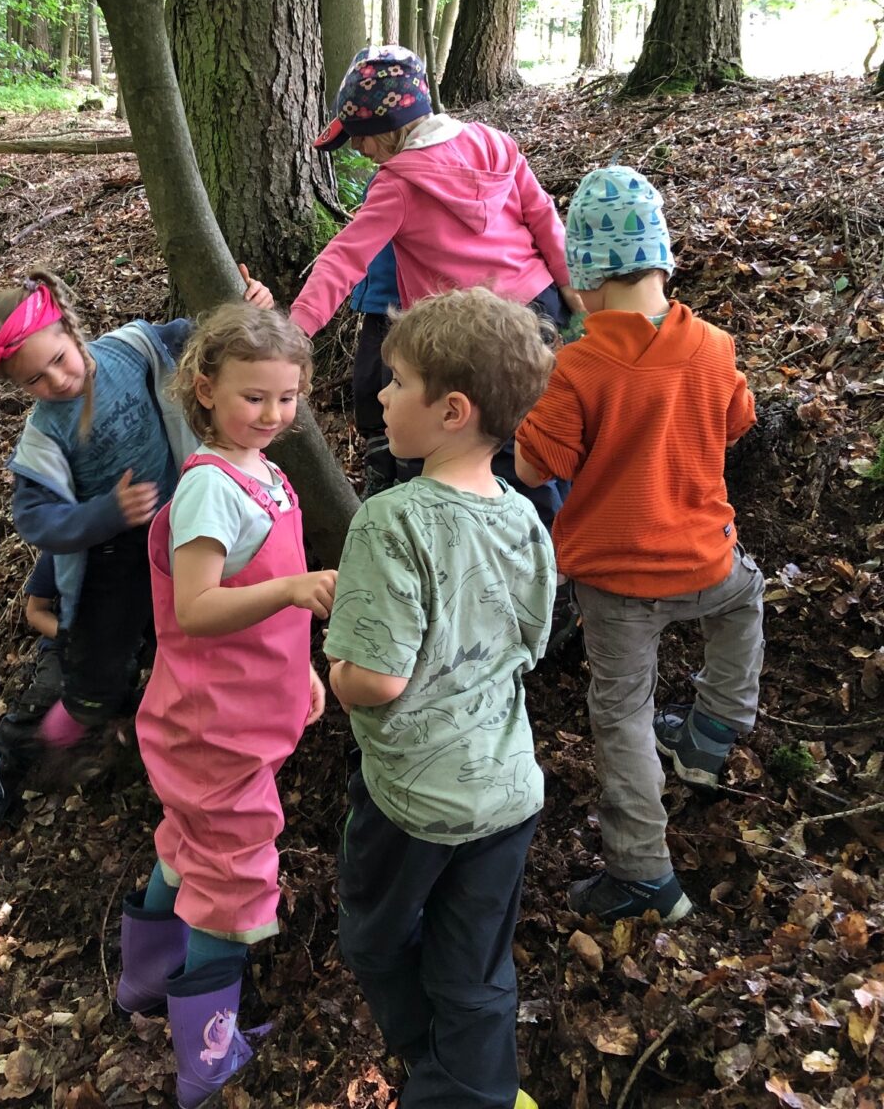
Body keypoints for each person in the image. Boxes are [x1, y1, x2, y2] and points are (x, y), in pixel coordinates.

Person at [514, 166, 765, 923]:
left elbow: (533, 466)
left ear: (584, 282)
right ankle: (716, 727)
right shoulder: (714, 346)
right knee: (747, 601)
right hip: (707, 561)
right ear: (663, 262)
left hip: (617, 585)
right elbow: (738, 422)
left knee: (620, 714)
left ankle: (643, 874)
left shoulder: (578, 366)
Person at [325, 288, 556, 1109]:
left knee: (375, 940)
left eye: (395, 382)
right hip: (506, 790)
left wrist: (338, 670)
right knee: (476, 967)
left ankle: (449, 1082)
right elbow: (532, 640)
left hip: (411, 801)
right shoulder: (528, 520)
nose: (380, 396)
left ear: (452, 409)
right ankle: (476, 1081)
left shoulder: (391, 521)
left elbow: (376, 680)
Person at [119, 304, 334, 1109]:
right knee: (231, 873)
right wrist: (292, 590)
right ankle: (207, 1058)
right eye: (254, 398)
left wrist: (300, 667)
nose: (274, 415)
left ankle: (145, 984)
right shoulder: (211, 488)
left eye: (287, 398)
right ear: (204, 390)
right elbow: (201, 607)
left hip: (239, 708)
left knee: (186, 844)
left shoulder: (264, 471)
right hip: (212, 724)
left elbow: (262, 606)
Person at [0, 264, 272, 762]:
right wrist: (106, 512)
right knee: (99, 664)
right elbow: (34, 519)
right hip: (111, 555)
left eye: (58, 359)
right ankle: (44, 748)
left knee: (181, 628)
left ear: (71, 331)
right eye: (34, 379)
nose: (56, 379)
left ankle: (172, 721)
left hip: (180, 527)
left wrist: (244, 307)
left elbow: (195, 337)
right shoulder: (44, 435)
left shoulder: (130, 349)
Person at [290, 44, 580, 527]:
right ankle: (552, 549)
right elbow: (542, 215)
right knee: (537, 428)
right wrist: (571, 284)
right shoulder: (493, 144)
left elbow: (345, 257)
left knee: (494, 444)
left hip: (468, 336)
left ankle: (499, 548)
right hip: (537, 311)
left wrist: (298, 328)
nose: (360, 151)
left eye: (361, 138)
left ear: (389, 130)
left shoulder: (397, 183)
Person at [0, 552, 64, 842]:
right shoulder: (66, 539)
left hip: (122, 647)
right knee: (42, 697)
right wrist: (72, 637)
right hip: (65, 643)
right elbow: (35, 611)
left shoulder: (142, 540)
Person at [350, 237, 401, 497]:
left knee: (403, 397)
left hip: (414, 302)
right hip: (380, 301)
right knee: (368, 387)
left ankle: (406, 476)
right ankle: (379, 472)